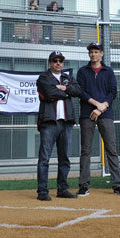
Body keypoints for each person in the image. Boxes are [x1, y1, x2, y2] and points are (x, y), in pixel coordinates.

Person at [76, 42, 120, 196]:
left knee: (111, 149)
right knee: (86, 150)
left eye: (96, 51)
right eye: (91, 51)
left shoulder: (108, 71)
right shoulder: (82, 71)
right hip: (87, 113)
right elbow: (81, 92)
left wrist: (102, 107)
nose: (93, 54)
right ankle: (83, 185)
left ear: (102, 54)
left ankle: (117, 185)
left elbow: (113, 92)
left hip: (105, 113)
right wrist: (96, 105)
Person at [36, 50, 82, 201]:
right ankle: (42, 192)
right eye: (55, 60)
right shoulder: (43, 77)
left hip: (66, 123)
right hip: (49, 123)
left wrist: (65, 88)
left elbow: (78, 90)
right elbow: (49, 94)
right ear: (49, 63)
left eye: (60, 61)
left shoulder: (67, 77)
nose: (58, 63)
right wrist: (67, 92)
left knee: (65, 158)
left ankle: (62, 189)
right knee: (44, 159)